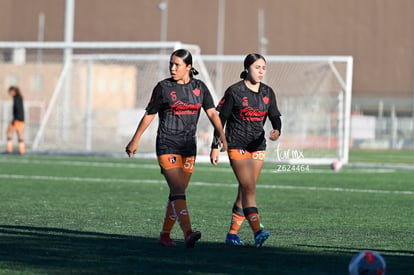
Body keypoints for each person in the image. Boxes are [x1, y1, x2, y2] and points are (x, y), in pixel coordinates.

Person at [125, 49, 227, 248]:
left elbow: (213, 114)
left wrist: (222, 137)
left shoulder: (200, 88)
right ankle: (188, 232)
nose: (172, 68)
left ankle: (165, 235)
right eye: (171, 64)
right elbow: (149, 114)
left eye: (177, 64)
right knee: (178, 189)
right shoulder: (163, 88)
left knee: (177, 192)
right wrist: (135, 140)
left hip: (189, 146)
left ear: (188, 67)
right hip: (167, 144)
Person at [210, 53, 282, 248]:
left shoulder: (268, 92)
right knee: (249, 187)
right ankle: (257, 231)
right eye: (257, 67)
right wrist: (215, 146)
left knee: (246, 188)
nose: (261, 71)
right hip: (236, 144)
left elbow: (275, 115)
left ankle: (232, 234)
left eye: (263, 68)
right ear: (247, 68)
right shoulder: (234, 91)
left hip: (258, 146)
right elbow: (220, 121)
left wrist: (277, 129)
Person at [6, 86, 25, 155]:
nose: (10, 93)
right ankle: (21, 150)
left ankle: (9, 149)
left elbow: (18, 109)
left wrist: (15, 119)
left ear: (13, 91)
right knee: (19, 134)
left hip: (18, 119)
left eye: (10, 92)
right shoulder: (18, 98)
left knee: (9, 132)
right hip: (20, 119)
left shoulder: (17, 98)